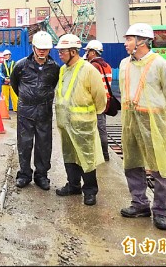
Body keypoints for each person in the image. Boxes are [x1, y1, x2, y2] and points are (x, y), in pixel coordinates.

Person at [119, 23, 166, 230]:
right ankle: (139, 204)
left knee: (159, 166)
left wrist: (156, 111)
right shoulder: (124, 64)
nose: (126, 43)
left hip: (153, 120)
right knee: (132, 162)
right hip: (129, 119)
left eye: (129, 39)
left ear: (142, 41)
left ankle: (161, 211)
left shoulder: (160, 64)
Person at [54, 34, 107, 206]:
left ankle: (90, 191)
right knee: (69, 155)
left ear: (73, 51)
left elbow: (99, 96)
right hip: (66, 123)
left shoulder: (89, 70)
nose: (60, 54)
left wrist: (95, 113)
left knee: (86, 158)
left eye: (63, 51)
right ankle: (73, 185)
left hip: (83, 123)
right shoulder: (63, 69)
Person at [9, 31, 60, 190]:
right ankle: (24, 174)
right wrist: (27, 98)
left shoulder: (54, 68)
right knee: (24, 143)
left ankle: (41, 175)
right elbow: (14, 84)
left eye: (45, 48)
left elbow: (53, 85)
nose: (42, 51)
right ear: (33, 47)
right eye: (39, 48)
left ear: (50, 49)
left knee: (44, 145)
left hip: (44, 112)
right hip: (26, 112)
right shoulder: (21, 66)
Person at [83, 40, 112, 162]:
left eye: (88, 52)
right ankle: (104, 153)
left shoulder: (92, 66)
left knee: (97, 129)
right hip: (105, 101)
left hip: (95, 103)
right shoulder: (107, 65)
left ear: (93, 52)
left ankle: (103, 154)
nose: (86, 54)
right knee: (102, 128)